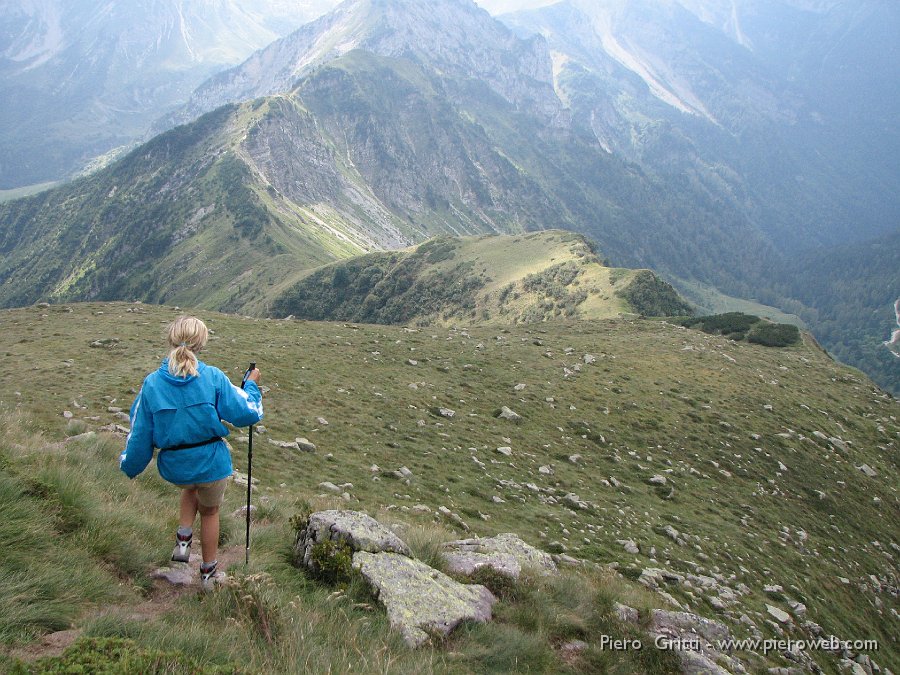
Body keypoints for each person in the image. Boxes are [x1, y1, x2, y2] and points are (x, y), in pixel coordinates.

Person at [119, 316, 263, 590]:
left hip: (176, 467)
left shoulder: (152, 383)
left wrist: (128, 465)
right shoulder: (212, 377)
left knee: (190, 487)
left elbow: (140, 434)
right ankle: (208, 574)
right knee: (210, 512)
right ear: (201, 343)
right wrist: (251, 386)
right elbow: (246, 413)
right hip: (211, 464)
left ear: (171, 340)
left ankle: (184, 539)